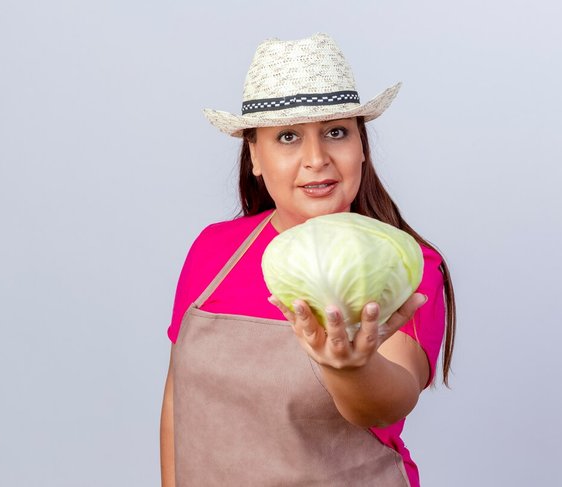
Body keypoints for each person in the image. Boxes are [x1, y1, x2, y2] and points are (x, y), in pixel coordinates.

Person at [160, 33, 456, 487]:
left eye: (336, 132)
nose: (316, 159)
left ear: (362, 147)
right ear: (255, 155)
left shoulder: (406, 264)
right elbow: (179, 404)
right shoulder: (214, 249)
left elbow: (388, 402)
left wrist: (351, 369)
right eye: (288, 137)